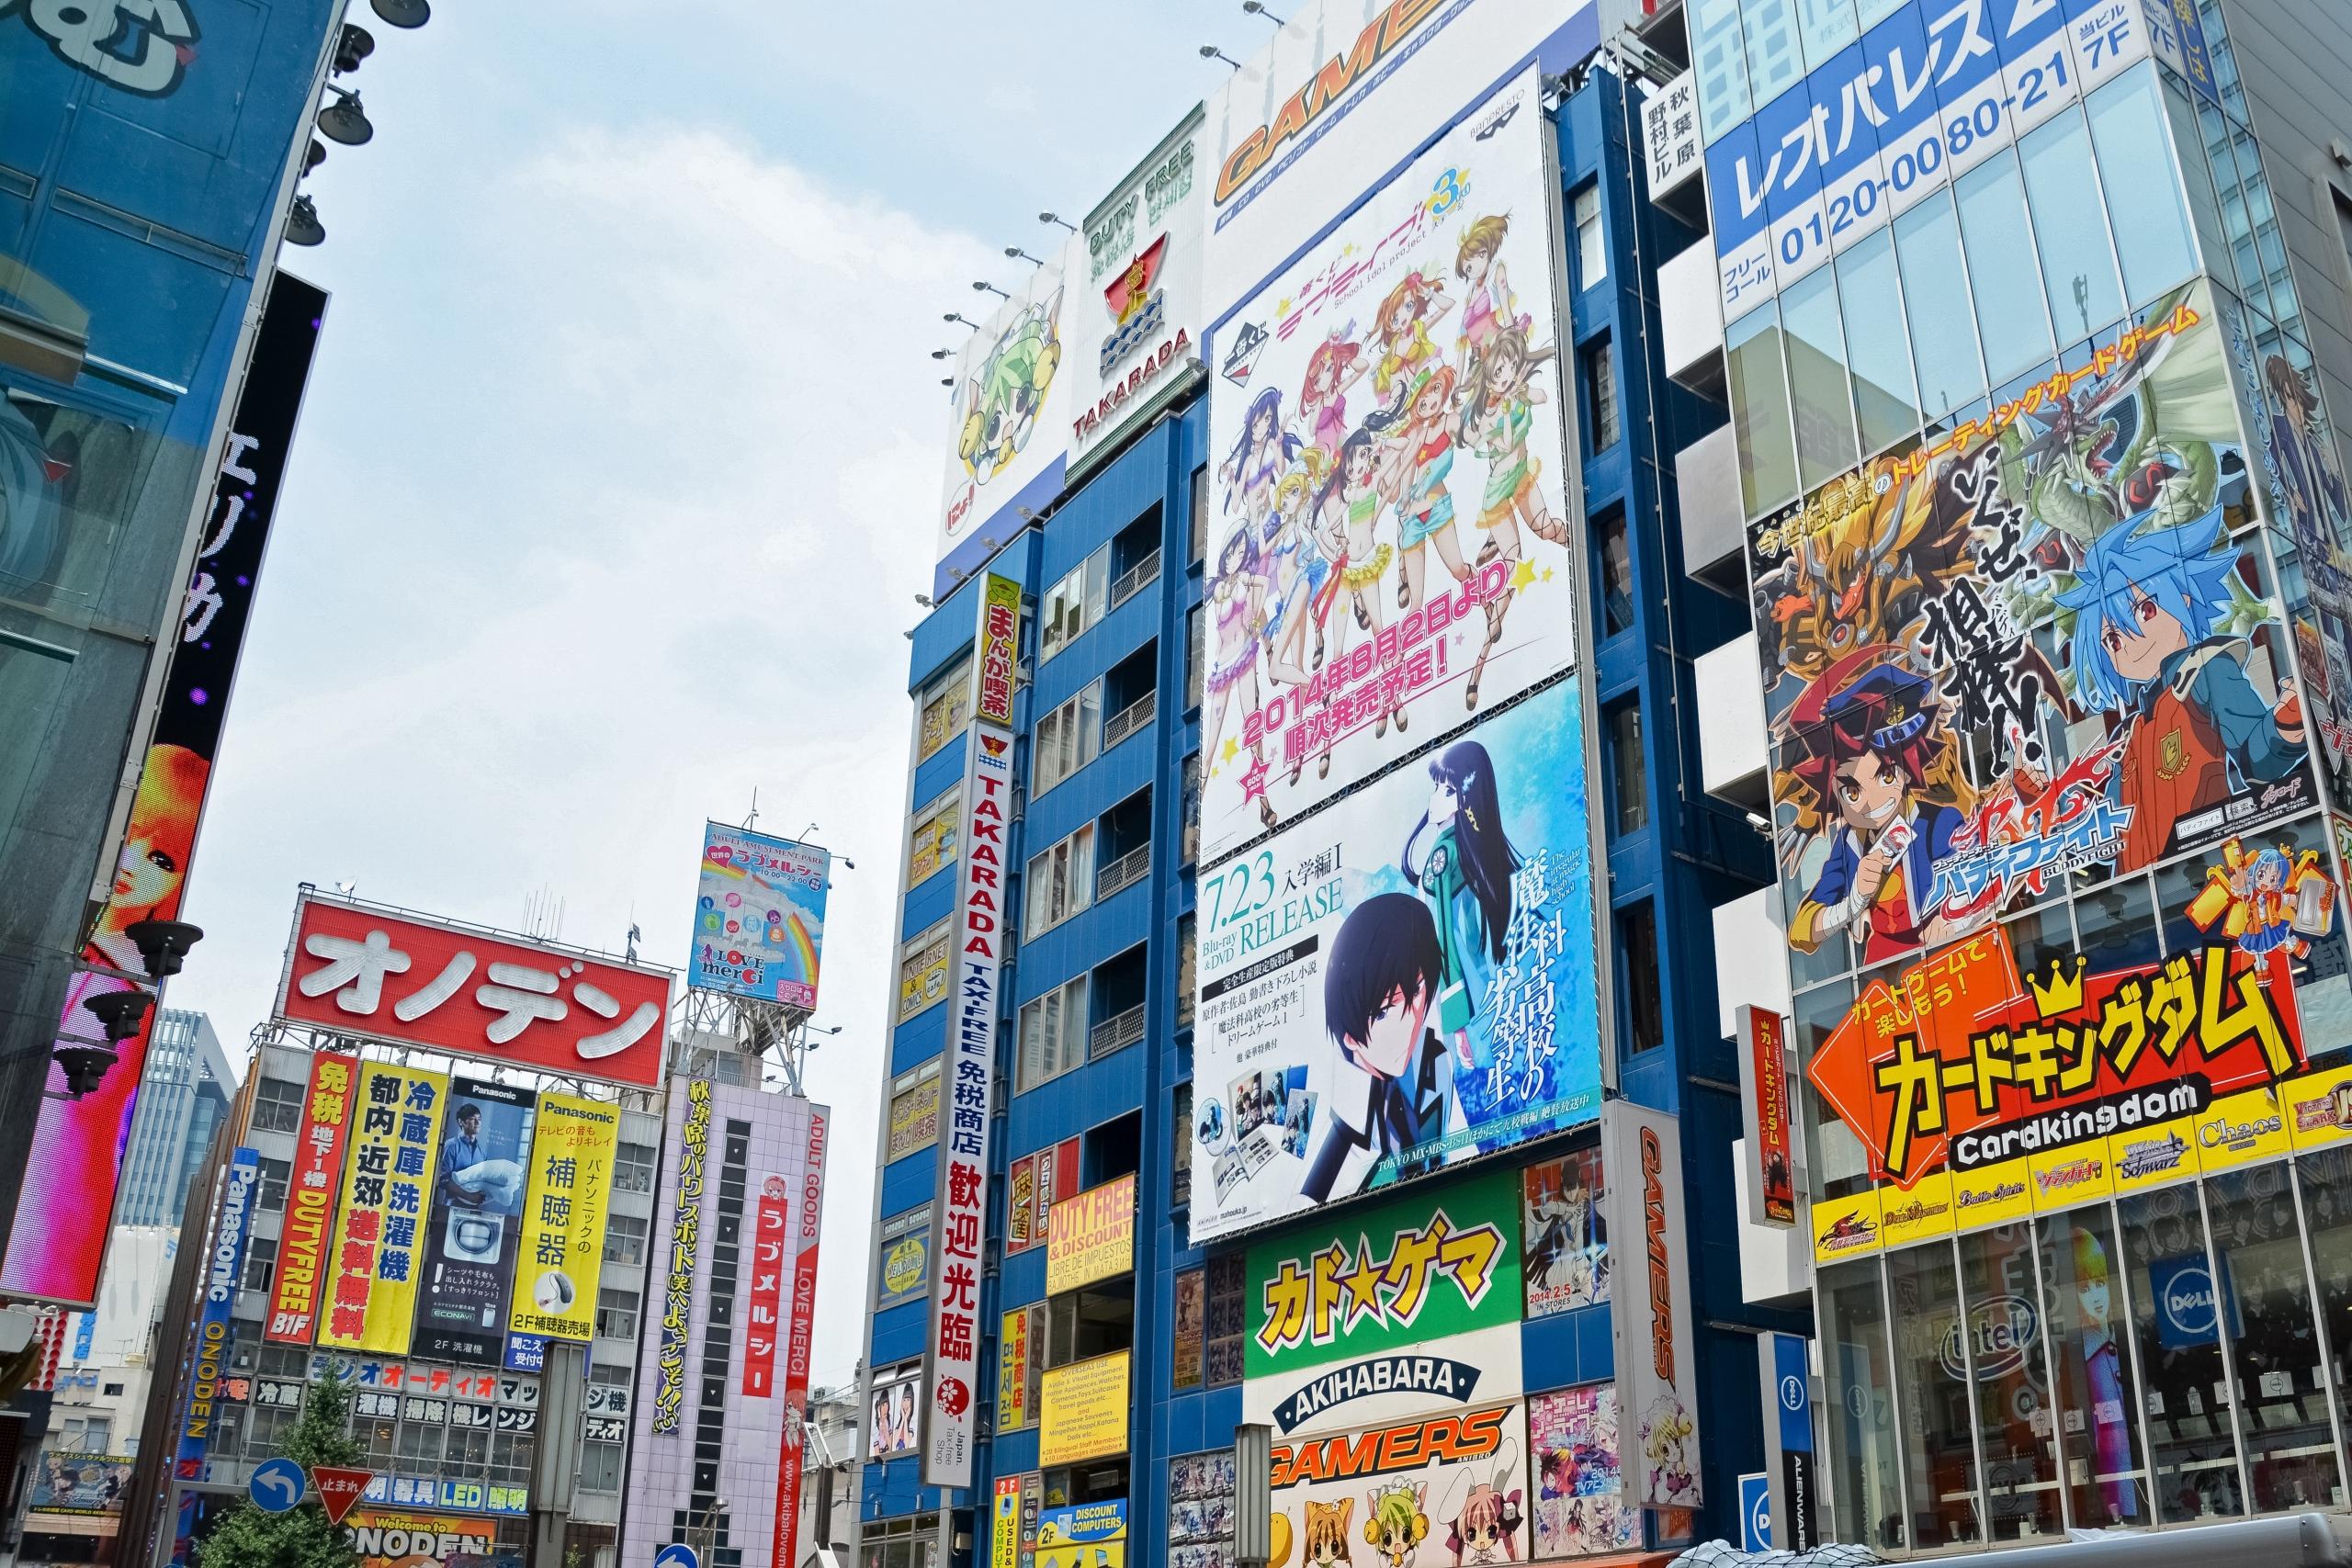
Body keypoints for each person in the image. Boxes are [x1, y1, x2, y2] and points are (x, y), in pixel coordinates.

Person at [2057, 507, 2310, 873]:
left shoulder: (2206, 673)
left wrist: (2286, 724)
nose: (2129, 642)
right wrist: (2049, 805)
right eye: (2111, 639)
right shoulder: (2127, 735)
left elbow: (2258, 759)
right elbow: (2105, 834)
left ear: (2185, 598)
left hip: (2214, 875)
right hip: (2148, 895)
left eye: (2144, 611)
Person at [1779, 654, 1976, 963]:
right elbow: (1801, 930)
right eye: (1853, 790)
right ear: (1834, 790)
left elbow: (1976, 875)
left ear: (1906, 769)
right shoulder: (1848, 844)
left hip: (1945, 956)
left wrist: (1952, 918)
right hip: (1883, 964)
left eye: (1884, 776)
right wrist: (1853, 902)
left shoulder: (1937, 823)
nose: (1870, 801)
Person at [1305, 893, 1456, 1202]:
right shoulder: (1346, 1114)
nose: (1409, 1019)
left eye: (1415, 990)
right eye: (1384, 1011)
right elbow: (1311, 1200)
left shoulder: (1436, 1061)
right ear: (1350, 1037)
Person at [1400, 740, 1519, 1069]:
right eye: (1437, 786)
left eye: (1449, 790)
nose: (1436, 796)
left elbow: (1445, 942)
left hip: (1454, 991)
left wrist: (1457, 1024)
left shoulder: (1443, 855)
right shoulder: (1468, 850)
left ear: (1467, 802)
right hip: (1475, 985)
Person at [440, 1103, 490, 1208]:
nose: (477, 1122)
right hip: (451, 1208)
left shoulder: (482, 1152)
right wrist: (469, 1196)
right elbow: (443, 1179)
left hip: (474, 1209)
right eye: (472, 1119)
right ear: (461, 1122)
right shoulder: (451, 1146)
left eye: (479, 1119)